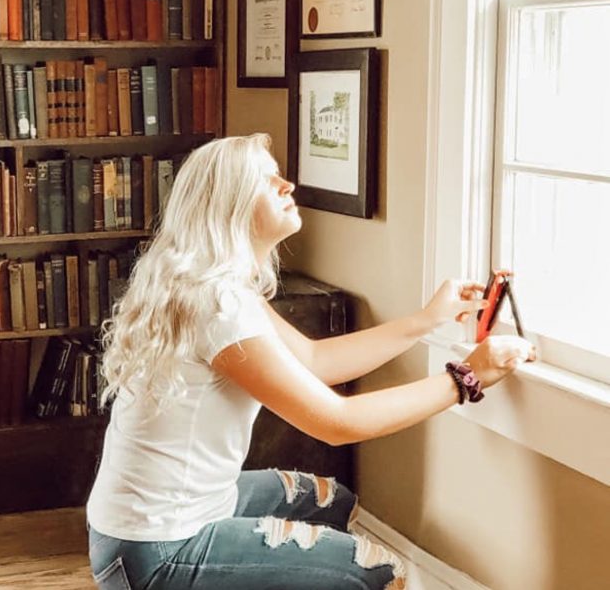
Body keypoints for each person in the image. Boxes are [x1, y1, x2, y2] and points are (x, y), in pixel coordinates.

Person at [86, 133, 535, 590]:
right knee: (381, 572)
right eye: (267, 180)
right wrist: (467, 377)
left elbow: (316, 361)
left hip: (141, 526)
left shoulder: (221, 286)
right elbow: (337, 422)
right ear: (230, 207)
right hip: (156, 551)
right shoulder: (219, 305)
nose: (287, 185)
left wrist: (426, 321)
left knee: (330, 501)